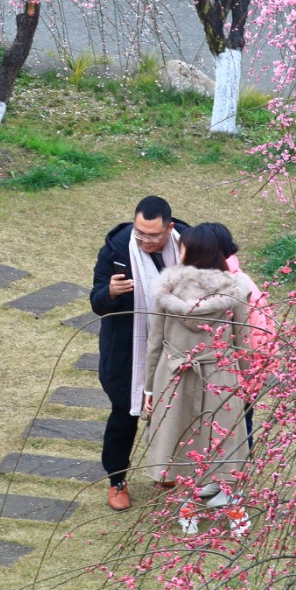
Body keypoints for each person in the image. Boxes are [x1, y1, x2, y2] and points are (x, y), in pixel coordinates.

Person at [141, 224, 253, 537]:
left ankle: (187, 509)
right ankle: (234, 510)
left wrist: (149, 387)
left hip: (174, 374)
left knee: (179, 441)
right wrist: (248, 380)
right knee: (226, 442)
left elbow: (155, 342)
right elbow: (243, 340)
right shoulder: (236, 290)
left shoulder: (165, 289)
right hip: (221, 374)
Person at [89, 196, 189, 512]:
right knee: (124, 416)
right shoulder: (116, 250)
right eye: (140, 232)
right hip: (128, 350)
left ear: (169, 229)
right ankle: (117, 480)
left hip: (175, 348)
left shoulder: (189, 245)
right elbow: (96, 302)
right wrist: (110, 293)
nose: (146, 240)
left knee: (171, 412)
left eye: (153, 235)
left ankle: (165, 470)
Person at [207, 222, 276, 448]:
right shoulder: (229, 279)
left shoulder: (237, 286)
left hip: (240, 378)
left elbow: (254, 338)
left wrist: (246, 382)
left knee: (238, 435)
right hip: (238, 377)